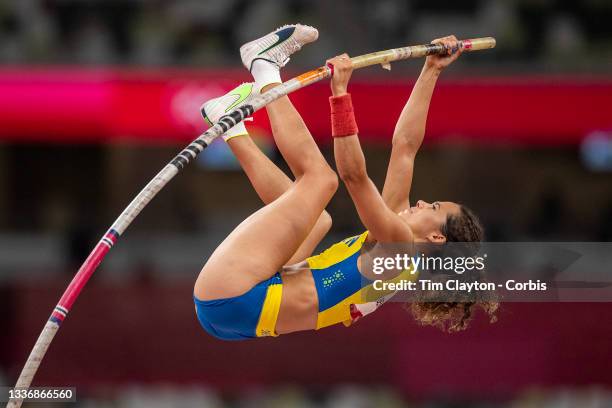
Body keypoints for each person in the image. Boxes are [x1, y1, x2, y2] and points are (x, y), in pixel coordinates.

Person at [194, 24, 497, 341]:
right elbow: (406, 147)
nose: (422, 202)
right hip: (237, 317)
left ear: (436, 236)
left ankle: (264, 66)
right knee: (317, 220)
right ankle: (229, 125)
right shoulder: (397, 250)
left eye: (433, 207)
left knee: (321, 180)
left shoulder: (400, 249)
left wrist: (340, 95)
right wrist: (431, 70)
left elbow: (354, 177)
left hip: (237, 294)